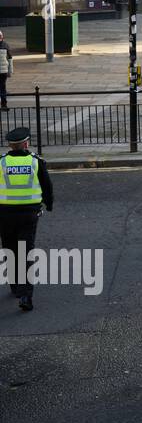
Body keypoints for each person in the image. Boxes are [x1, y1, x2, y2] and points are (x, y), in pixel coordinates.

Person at [0, 127, 54, 312]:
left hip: (5, 215)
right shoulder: (35, 162)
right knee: (25, 252)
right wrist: (49, 203)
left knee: (10, 249)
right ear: (25, 143)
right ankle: (25, 295)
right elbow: (46, 185)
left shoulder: (1, 163)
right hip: (28, 215)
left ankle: (15, 287)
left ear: (10, 145)